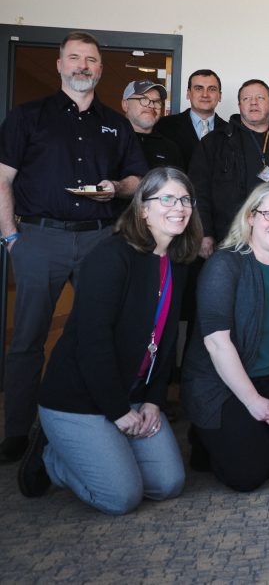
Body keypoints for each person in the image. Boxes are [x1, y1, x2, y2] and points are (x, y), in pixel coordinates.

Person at [0, 31, 148, 463]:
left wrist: (116, 186)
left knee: (102, 331)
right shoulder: (28, 116)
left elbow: (137, 179)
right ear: (60, 65)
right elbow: (3, 179)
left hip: (100, 237)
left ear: (100, 68)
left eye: (91, 60)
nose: (83, 66)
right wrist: (10, 237)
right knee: (27, 338)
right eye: (75, 58)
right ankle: (16, 430)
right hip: (38, 237)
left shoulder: (116, 123)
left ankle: (98, 417)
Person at [17, 168, 201, 513]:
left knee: (168, 484)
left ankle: (106, 450)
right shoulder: (111, 256)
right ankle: (52, 457)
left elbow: (163, 339)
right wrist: (117, 410)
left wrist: (154, 400)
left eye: (185, 199)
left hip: (133, 394)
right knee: (120, 497)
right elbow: (92, 342)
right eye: (166, 199)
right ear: (142, 209)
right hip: (79, 397)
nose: (178, 207)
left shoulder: (177, 261)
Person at [181, 183, 269, 491]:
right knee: (249, 475)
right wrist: (253, 401)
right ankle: (205, 437)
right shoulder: (223, 265)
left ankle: (253, 433)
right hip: (221, 383)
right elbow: (217, 343)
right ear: (251, 217)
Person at [190, 79, 269, 259]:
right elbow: (198, 190)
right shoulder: (214, 142)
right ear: (239, 105)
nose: (253, 102)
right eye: (247, 99)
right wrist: (204, 233)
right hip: (228, 238)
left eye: (260, 98)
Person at [155, 69, 228, 170]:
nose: (205, 94)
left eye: (212, 89)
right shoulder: (163, 126)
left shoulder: (230, 131)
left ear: (219, 96)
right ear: (188, 94)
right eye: (198, 88)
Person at [121, 81, 184, 170]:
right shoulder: (112, 139)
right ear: (125, 105)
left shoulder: (170, 148)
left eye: (157, 102)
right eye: (144, 99)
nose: (151, 106)